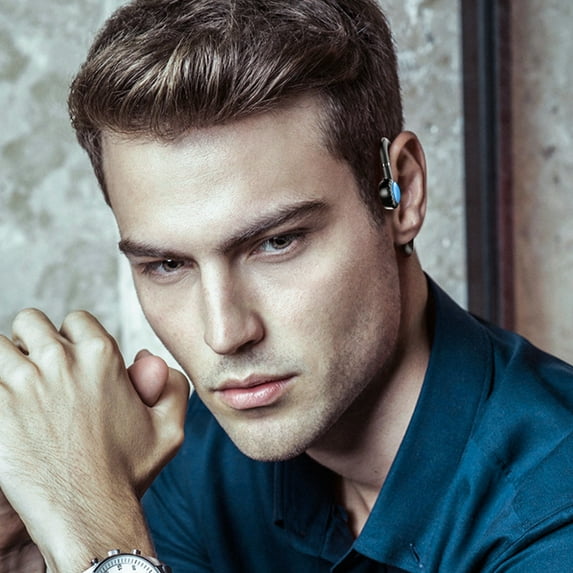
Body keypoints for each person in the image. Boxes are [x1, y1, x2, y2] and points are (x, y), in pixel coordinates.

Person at [1, 0, 573, 571]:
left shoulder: (554, 508)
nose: (225, 334)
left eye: (277, 242)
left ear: (400, 192)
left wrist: (93, 532)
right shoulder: (205, 459)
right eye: (168, 264)